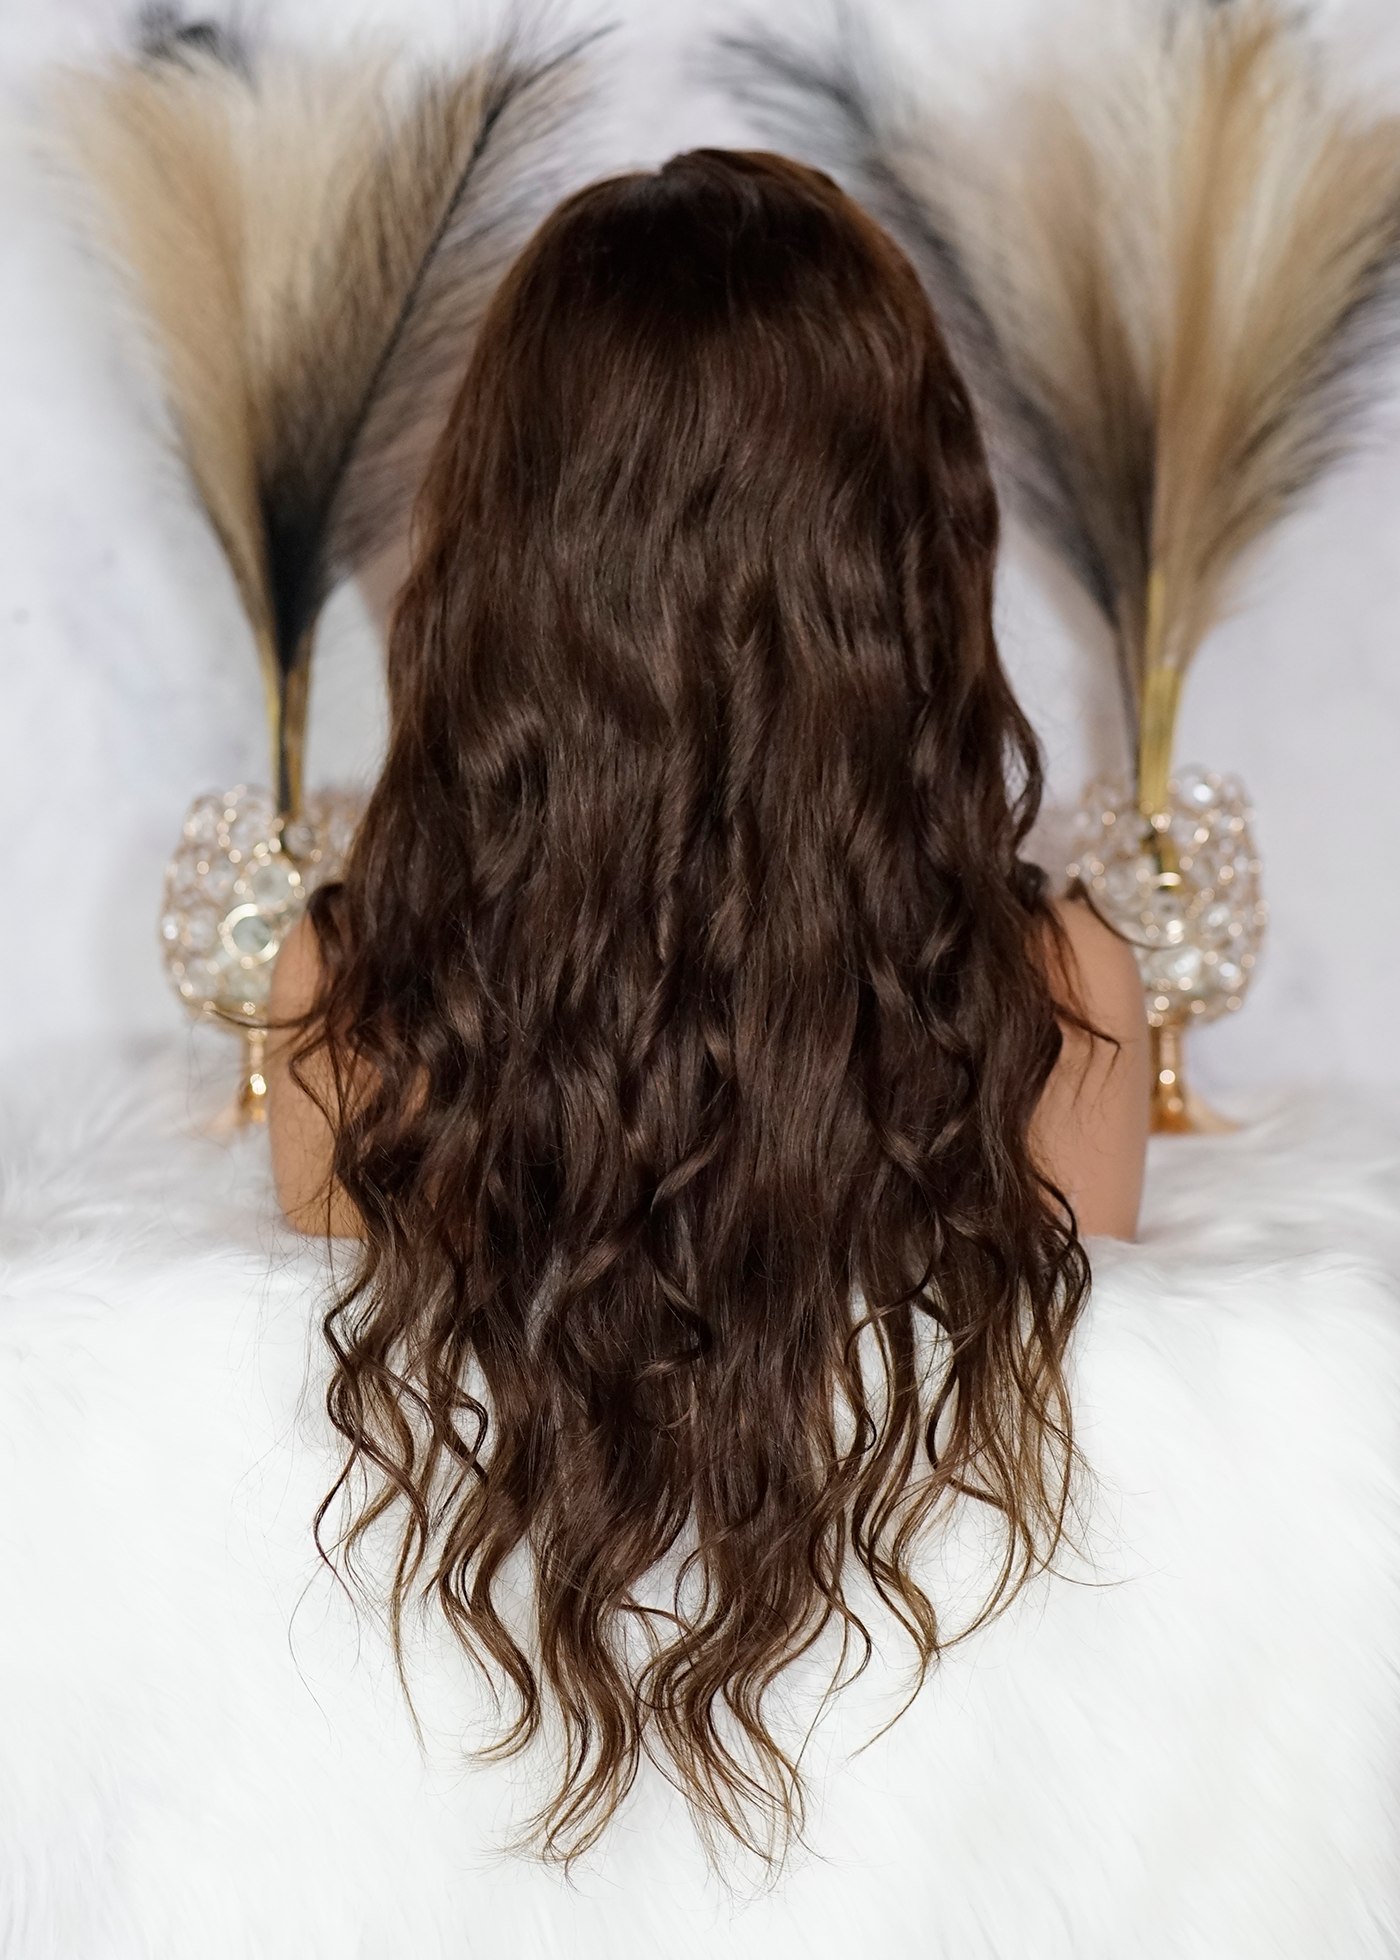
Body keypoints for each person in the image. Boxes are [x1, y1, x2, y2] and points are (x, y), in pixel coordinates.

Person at [266, 148, 1148, 1864]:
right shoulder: (1062, 1000)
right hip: (924, 1858)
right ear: (904, 545)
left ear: (510, 540)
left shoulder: (352, 999)